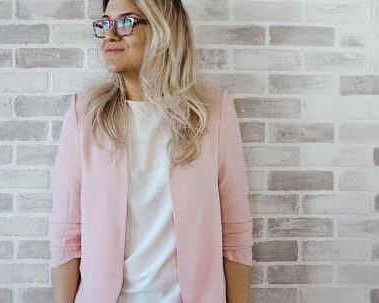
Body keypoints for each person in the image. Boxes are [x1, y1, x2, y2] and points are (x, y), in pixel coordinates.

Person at [49, 0, 253, 302]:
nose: (111, 35)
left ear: (163, 29)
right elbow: (66, 235)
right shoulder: (85, 116)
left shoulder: (214, 113)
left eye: (126, 23)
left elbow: (235, 232)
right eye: (105, 23)